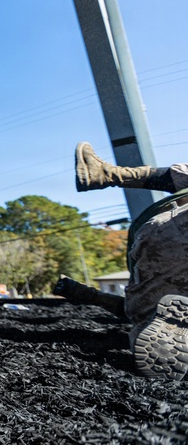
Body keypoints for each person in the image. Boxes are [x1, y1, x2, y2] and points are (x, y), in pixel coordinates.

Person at [57, 142, 188, 381]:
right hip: (172, 236)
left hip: (167, 234)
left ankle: (106, 174)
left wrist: (91, 296)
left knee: (150, 315)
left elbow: (178, 175)